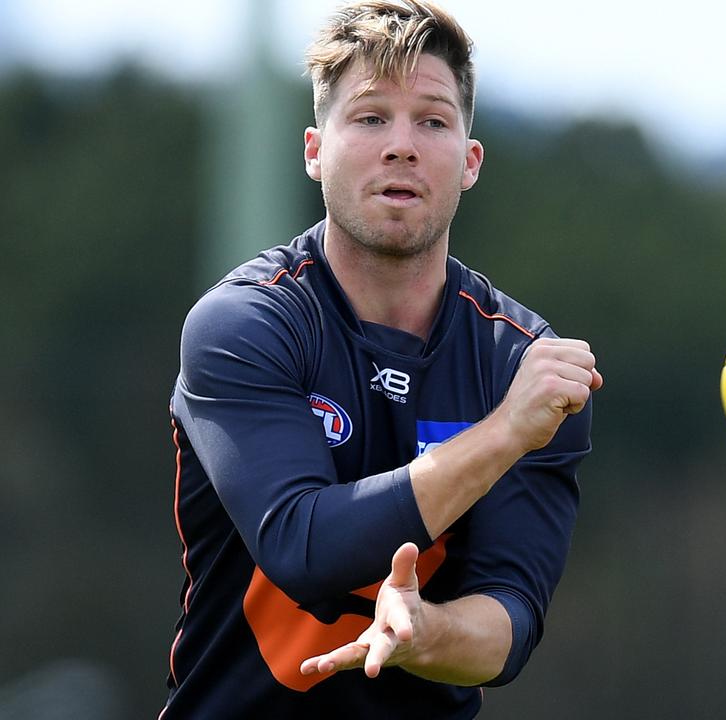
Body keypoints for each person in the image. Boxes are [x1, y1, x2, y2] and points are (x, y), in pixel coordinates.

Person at [160, 2, 602, 717]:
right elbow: (304, 547)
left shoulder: (520, 364)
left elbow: (511, 620)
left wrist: (426, 634)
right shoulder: (245, 323)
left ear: (470, 161)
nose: (402, 145)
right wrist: (504, 434)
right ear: (314, 150)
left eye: (432, 121)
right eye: (370, 118)